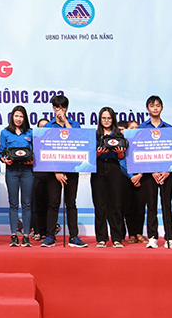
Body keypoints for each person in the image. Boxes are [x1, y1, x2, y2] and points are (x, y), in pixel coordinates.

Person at [41, 95, 88, 248]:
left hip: (72, 170)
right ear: (52, 108)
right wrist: (56, 172)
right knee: (53, 202)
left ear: (66, 109)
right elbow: (44, 151)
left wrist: (66, 122)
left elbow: (78, 141)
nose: (59, 110)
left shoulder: (74, 125)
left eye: (62, 107)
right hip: (54, 171)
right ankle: (50, 235)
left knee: (71, 203)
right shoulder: (49, 126)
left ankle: (74, 236)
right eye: (56, 107)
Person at [139, 95, 172, 249]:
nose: (155, 108)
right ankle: (152, 237)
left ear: (162, 108)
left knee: (166, 205)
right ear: (147, 108)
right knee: (151, 206)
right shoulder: (142, 129)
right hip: (150, 175)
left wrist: (167, 171)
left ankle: (170, 238)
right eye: (152, 105)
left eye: (158, 105)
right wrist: (152, 172)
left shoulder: (169, 129)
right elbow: (139, 153)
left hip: (167, 173)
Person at [91, 107, 127, 248]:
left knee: (116, 204)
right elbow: (90, 156)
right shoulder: (95, 135)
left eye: (109, 118)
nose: (106, 120)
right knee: (100, 205)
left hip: (114, 168)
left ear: (113, 119)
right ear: (100, 120)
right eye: (104, 118)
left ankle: (117, 238)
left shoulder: (119, 135)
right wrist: (98, 154)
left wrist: (119, 154)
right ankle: (101, 238)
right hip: (98, 168)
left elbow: (123, 156)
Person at [0, 105, 34, 248]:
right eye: (16, 116)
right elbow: (1, 152)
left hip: (27, 171)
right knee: (13, 204)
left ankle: (26, 236)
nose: (18, 119)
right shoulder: (5, 132)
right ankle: (13, 235)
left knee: (26, 204)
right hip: (12, 171)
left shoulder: (31, 132)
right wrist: (4, 159)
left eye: (21, 116)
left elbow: (35, 151)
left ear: (24, 118)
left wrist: (33, 159)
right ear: (12, 117)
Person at [118, 120, 146, 244]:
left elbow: (147, 160)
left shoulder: (143, 143)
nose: (134, 130)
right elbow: (122, 162)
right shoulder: (123, 143)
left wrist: (140, 175)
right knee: (128, 208)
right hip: (126, 179)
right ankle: (132, 234)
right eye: (131, 128)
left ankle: (139, 233)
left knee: (140, 207)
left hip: (141, 178)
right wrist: (132, 177)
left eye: (136, 128)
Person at [31, 118, 50, 241]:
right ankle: (36, 230)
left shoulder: (53, 142)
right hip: (36, 174)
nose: (43, 128)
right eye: (40, 126)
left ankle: (46, 232)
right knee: (35, 205)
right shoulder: (33, 141)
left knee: (48, 205)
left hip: (50, 175)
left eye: (45, 126)